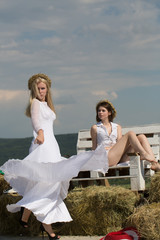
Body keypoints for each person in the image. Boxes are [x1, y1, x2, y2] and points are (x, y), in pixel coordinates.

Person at [0, 74, 108, 240]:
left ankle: (26, 213)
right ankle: (47, 229)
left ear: (47, 89)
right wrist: (41, 133)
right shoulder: (35, 103)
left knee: (49, 183)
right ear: (34, 91)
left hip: (52, 144)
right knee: (47, 183)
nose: (41, 91)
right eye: (38, 89)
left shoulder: (46, 104)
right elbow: (35, 122)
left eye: (43, 88)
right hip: (43, 144)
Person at [91, 99, 160, 170]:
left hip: (118, 157)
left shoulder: (117, 127)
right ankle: (143, 154)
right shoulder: (95, 128)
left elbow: (120, 144)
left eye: (103, 110)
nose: (100, 112)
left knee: (141, 137)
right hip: (105, 157)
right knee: (130, 133)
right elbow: (94, 147)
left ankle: (154, 163)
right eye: (99, 111)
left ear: (109, 113)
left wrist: (115, 148)